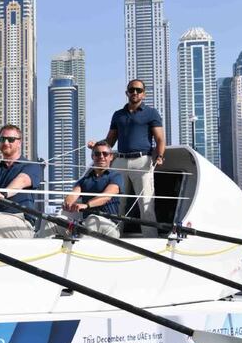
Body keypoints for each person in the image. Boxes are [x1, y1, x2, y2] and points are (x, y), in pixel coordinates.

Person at [88, 79, 165, 237]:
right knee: (117, 204)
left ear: (144, 94)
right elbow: (110, 141)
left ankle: (151, 241)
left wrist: (160, 156)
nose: (134, 93)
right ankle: (115, 238)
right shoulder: (118, 115)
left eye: (138, 90)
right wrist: (97, 146)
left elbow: (160, 139)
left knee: (146, 204)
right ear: (127, 93)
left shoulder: (151, 113)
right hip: (120, 161)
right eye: (131, 90)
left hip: (142, 162)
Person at [47, 141, 123, 238]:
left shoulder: (116, 176)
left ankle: (78, 250)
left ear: (111, 157)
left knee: (92, 220)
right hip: (85, 226)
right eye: (97, 154)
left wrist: (86, 205)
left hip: (109, 226)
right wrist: (68, 203)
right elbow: (73, 194)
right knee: (51, 221)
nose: (101, 157)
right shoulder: (85, 179)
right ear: (93, 156)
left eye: (105, 154)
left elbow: (106, 196)